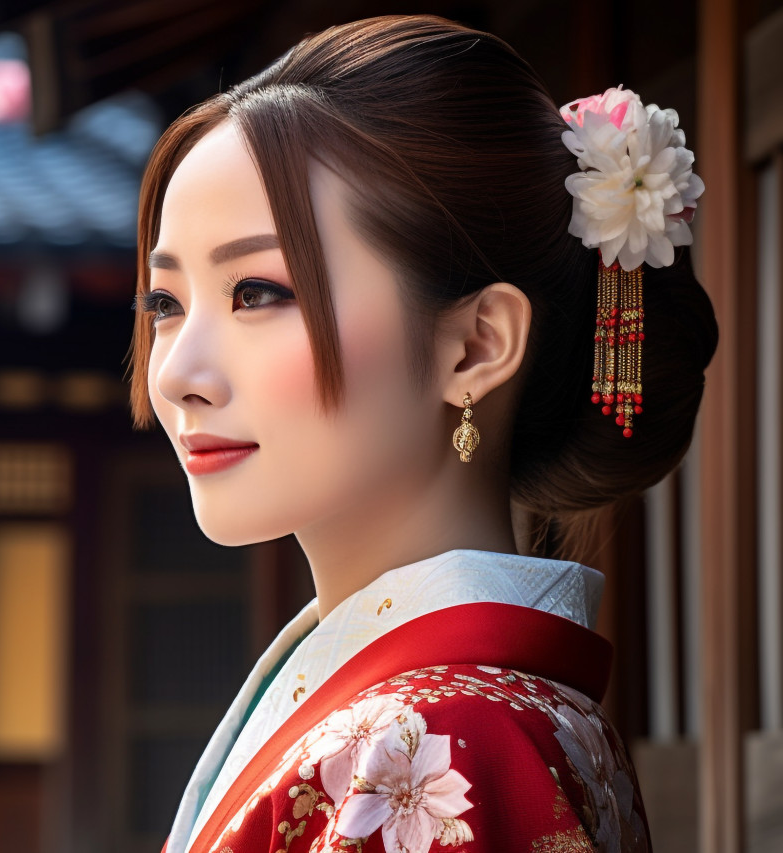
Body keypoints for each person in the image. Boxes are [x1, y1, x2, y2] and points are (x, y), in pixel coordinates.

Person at [127, 14, 717, 853]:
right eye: (165, 304)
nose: (177, 373)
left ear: (476, 345)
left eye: (257, 292)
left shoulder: (438, 737)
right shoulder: (466, 716)